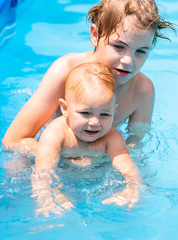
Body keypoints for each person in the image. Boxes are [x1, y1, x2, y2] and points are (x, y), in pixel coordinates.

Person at [2, 0, 175, 156]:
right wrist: (65, 157)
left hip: (99, 157)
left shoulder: (142, 91)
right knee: (16, 165)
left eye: (141, 51)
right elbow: (14, 139)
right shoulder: (65, 71)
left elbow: (136, 148)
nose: (128, 60)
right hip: (50, 151)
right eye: (119, 46)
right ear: (95, 35)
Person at [31, 62, 142, 217]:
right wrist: (46, 197)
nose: (95, 122)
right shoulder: (55, 135)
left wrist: (132, 188)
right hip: (63, 175)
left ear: (113, 110)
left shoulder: (111, 138)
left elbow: (126, 166)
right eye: (85, 113)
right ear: (65, 108)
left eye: (104, 114)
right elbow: (43, 172)